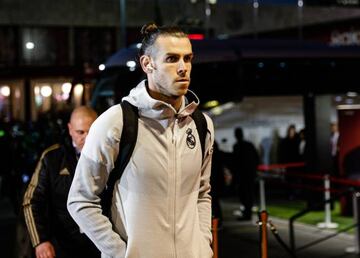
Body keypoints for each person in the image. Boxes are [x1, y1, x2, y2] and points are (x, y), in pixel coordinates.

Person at [67, 23, 215, 258]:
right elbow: (80, 200)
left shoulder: (202, 124)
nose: (182, 68)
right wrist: (121, 253)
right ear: (147, 64)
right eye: (171, 59)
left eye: (187, 59)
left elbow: (201, 193)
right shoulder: (115, 123)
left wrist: (203, 246)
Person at [23, 106, 99, 258]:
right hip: (62, 243)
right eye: (80, 132)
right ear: (70, 129)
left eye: (91, 131)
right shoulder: (52, 158)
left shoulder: (110, 156)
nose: (87, 137)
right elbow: (32, 200)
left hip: (99, 243)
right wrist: (41, 241)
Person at [231, 127, 259, 221]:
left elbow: (235, 162)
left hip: (243, 174)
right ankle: (247, 213)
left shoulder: (237, 146)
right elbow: (256, 158)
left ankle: (247, 213)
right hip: (248, 174)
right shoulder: (248, 145)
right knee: (248, 194)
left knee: (245, 194)